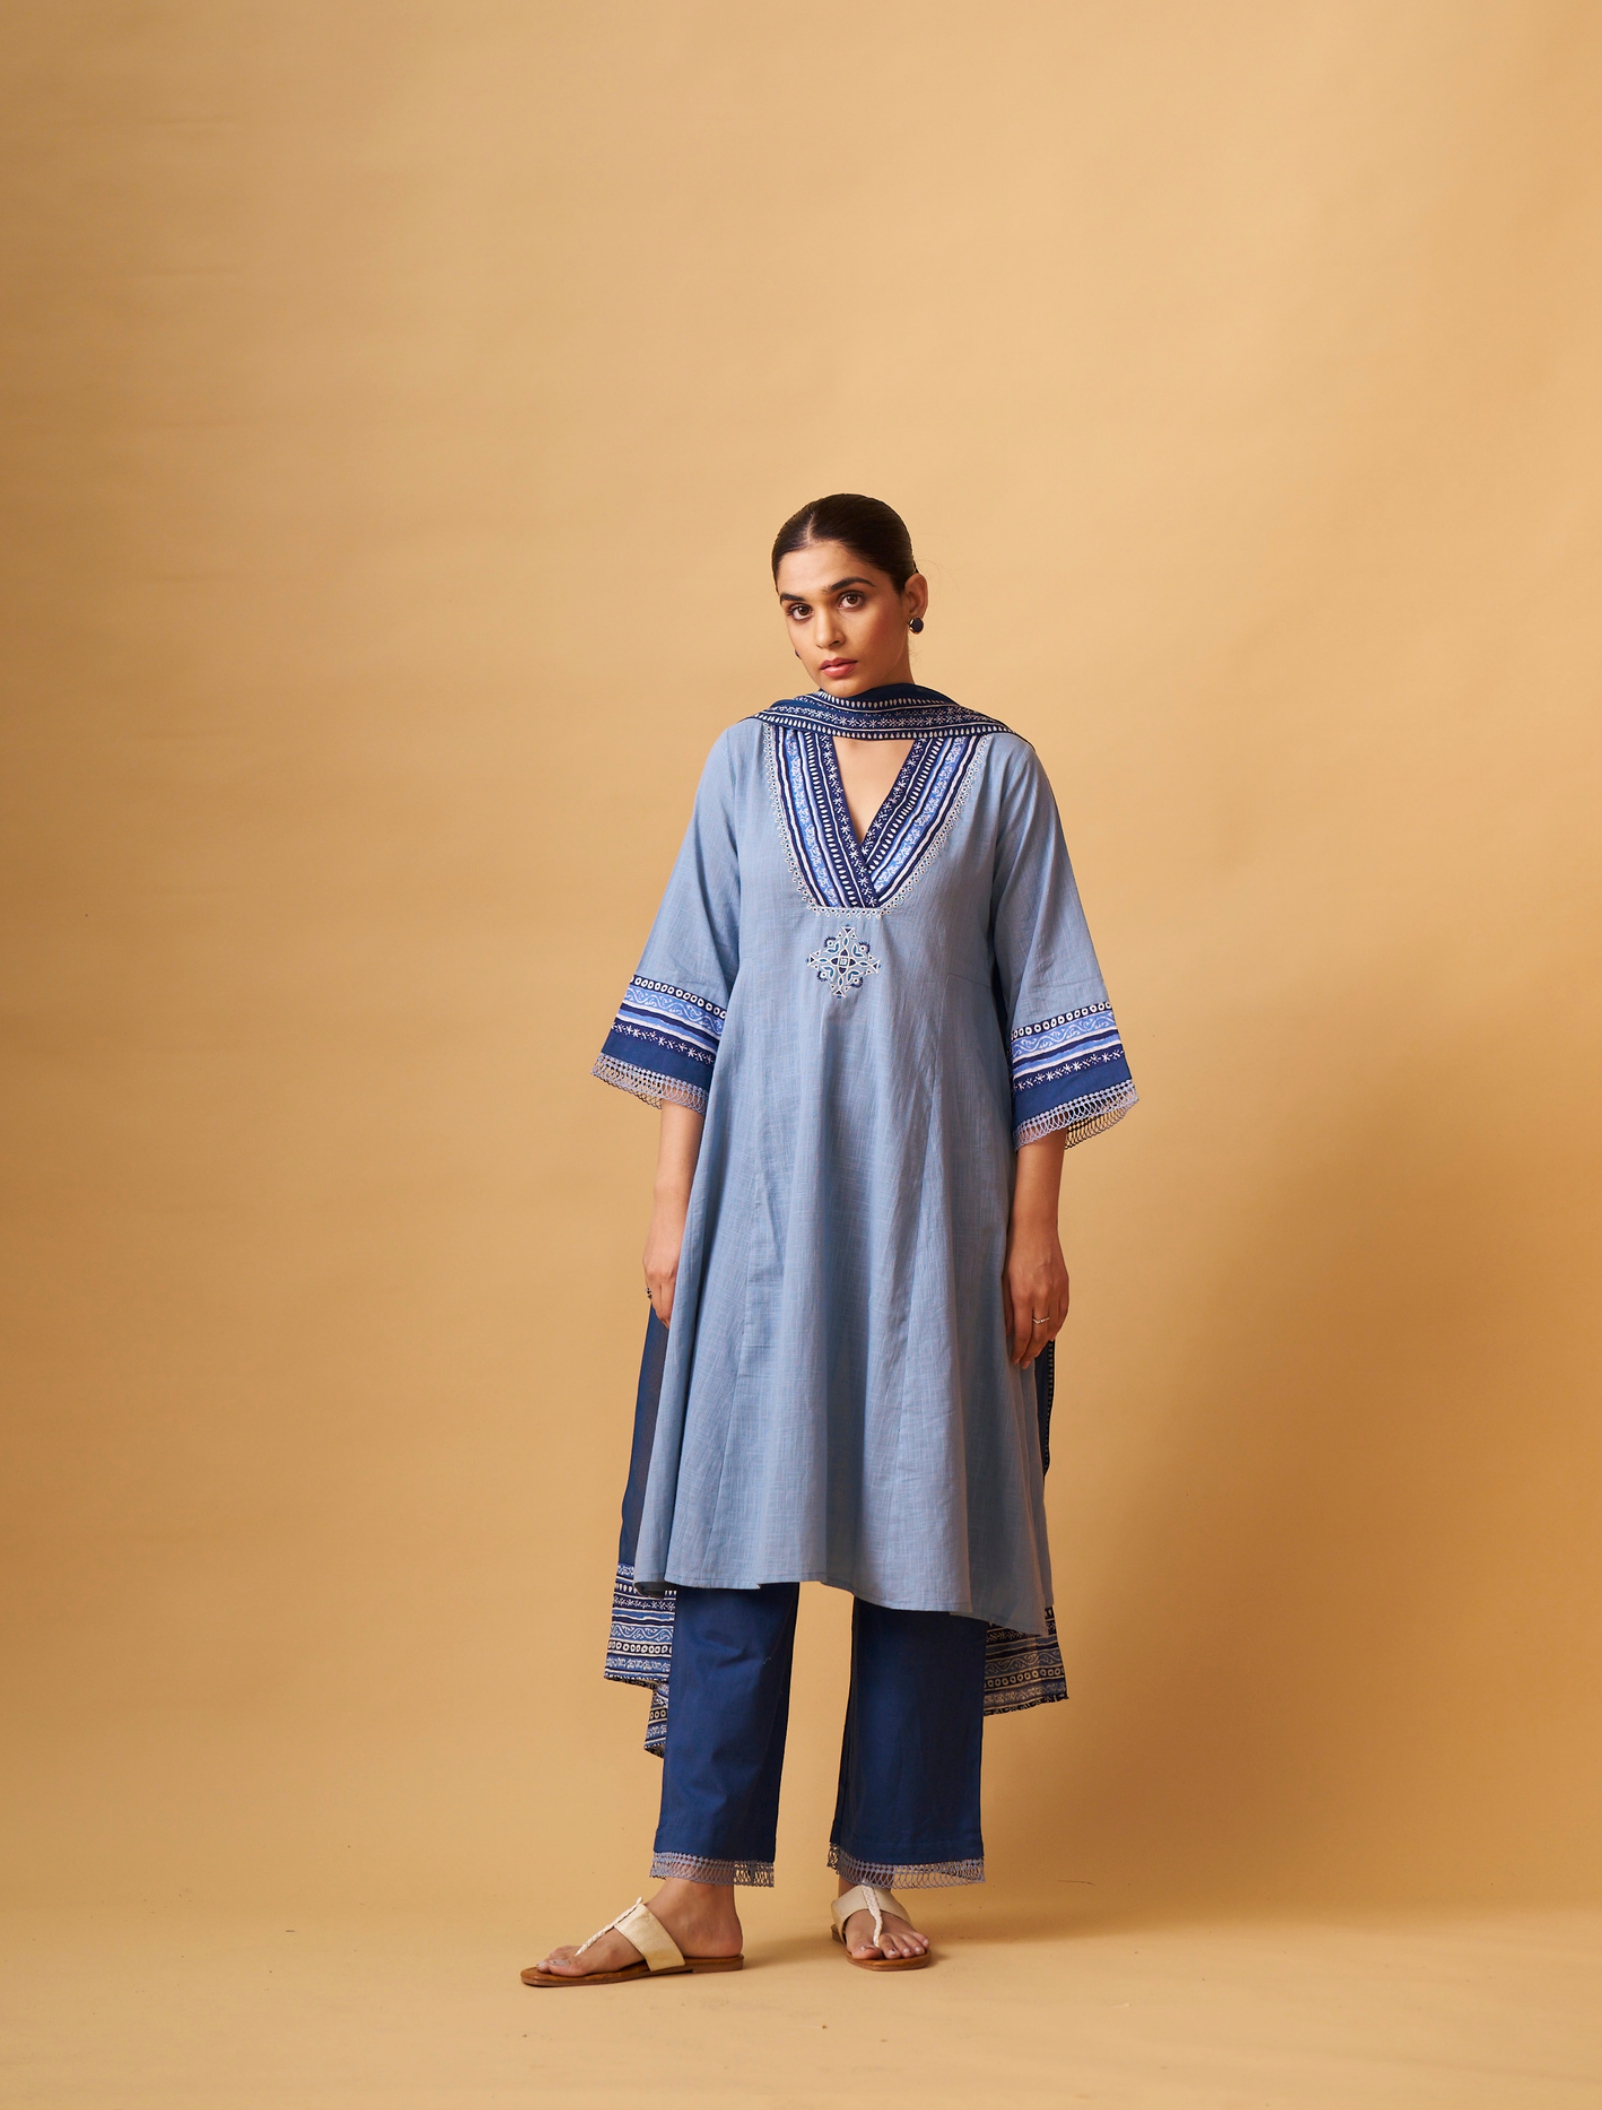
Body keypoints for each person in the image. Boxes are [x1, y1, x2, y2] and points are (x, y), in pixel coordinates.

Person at [522, 494, 1134, 1987]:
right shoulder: (745, 763)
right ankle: (695, 1890)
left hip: (941, 1213)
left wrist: (1034, 1233)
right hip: (761, 1212)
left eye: (850, 598)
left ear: (914, 594)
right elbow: (694, 990)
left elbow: (1047, 1010)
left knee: (926, 1528)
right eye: (797, 608)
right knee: (734, 1527)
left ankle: (876, 1873)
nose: (823, 634)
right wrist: (671, 1208)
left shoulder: (997, 773)